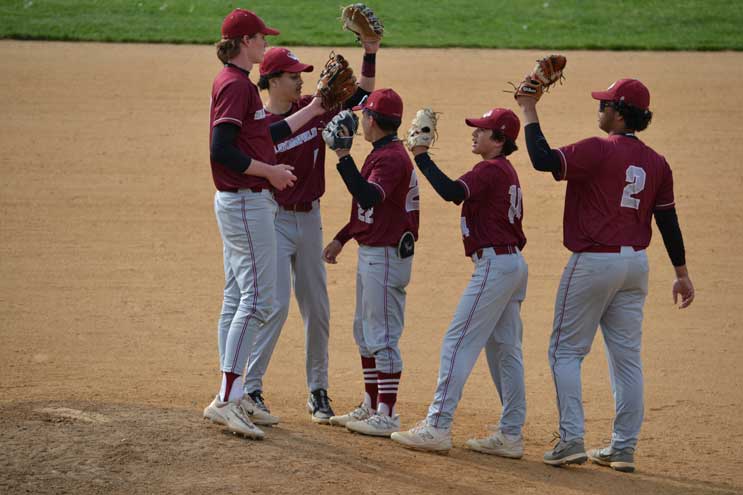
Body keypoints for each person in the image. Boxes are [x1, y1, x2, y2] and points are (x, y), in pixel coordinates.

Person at [515, 78, 695, 471]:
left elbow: (544, 160)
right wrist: (681, 273)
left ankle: (571, 439)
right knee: (627, 359)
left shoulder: (598, 149)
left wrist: (528, 109)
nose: (599, 109)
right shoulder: (657, 162)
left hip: (594, 262)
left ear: (619, 112)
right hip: (636, 267)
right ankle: (623, 447)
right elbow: (668, 220)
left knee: (565, 351)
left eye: (606, 104)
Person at [202, 8, 327, 439]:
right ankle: (229, 399)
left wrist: (313, 112)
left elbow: (265, 136)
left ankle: (235, 396)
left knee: (238, 296)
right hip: (244, 201)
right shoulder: (236, 85)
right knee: (258, 300)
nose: (264, 43)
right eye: (260, 38)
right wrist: (269, 173)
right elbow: (221, 149)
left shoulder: (236, 85)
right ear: (243, 42)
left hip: (240, 201)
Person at [242, 40, 380, 425]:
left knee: (317, 309)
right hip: (274, 220)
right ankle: (250, 387)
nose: (303, 80)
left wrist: (370, 50)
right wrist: (317, 108)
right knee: (275, 306)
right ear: (271, 81)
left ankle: (318, 390)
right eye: (293, 76)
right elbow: (271, 139)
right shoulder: (261, 127)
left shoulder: (313, 108)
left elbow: (364, 93)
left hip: (309, 220)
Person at [390, 108, 529, 456]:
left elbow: (453, 192)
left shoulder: (490, 169)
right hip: (510, 264)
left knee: (457, 342)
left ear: (499, 140)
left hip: (495, 266)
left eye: (481, 130)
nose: (475, 134)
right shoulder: (504, 171)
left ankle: (437, 425)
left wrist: (421, 157)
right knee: (504, 351)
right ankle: (510, 434)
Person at [322, 88, 420, 437]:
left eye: (364, 115)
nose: (360, 120)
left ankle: (388, 414)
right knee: (365, 332)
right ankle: (371, 404)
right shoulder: (382, 152)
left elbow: (369, 195)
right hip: (373, 251)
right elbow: (368, 210)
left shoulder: (392, 158)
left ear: (373, 121)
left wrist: (343, 155)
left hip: (387, 256)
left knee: (382, 336)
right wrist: (342, 237)